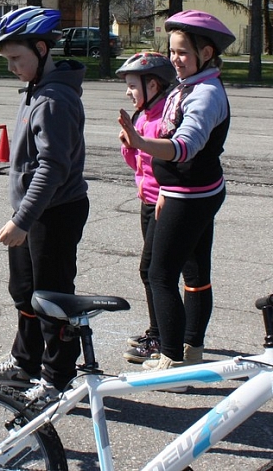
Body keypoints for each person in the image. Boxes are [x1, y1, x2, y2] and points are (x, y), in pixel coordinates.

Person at [0, 6, 89, 405]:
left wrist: (22, 220)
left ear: (42, 49)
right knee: (24, 290)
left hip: (53, 213)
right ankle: (26, 362)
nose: (10, 67)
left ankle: (58, 381)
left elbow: (53, 167)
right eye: (5, 60)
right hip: (34, 212)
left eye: (16, 59)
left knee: (52, 298)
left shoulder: (53, 98)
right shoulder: (38, 90)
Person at [118, 10, 234, 373]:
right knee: (195, 274)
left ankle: (172, 360)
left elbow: (184, 146)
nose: (175, 60)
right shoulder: (187, 88)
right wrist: (162, 179)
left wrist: (141, 141)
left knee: (159, 274)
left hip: (191, 194)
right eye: (172, 52)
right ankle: (192, 348)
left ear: (206, 53)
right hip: (190, 190)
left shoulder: (206, 94)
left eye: (182, 53)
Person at [116, 52, 187, 363]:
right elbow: (138, 165)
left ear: (154, 84)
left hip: (164, 202)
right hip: (146, 200)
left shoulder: (164, 120)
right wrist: (129, 145)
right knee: (152, 272)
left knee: (154, 272)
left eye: (133, 86)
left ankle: (162, 336)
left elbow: (167, 163)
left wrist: (138, 143)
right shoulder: (143, 115)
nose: (128, 92)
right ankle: (157, 330)